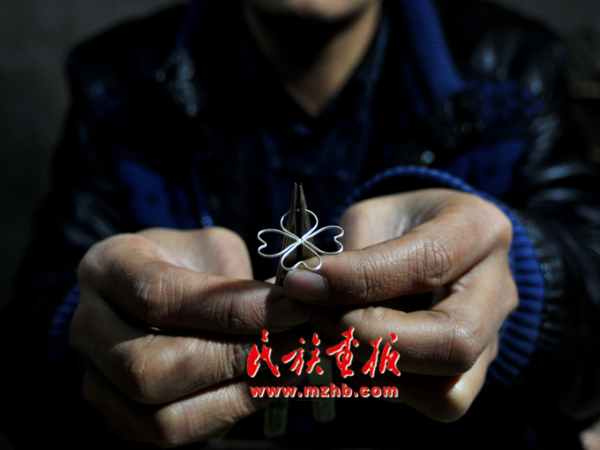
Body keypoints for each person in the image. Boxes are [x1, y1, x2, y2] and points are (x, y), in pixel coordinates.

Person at [2, 0, 600, 448]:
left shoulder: (518, 68)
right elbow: (25, 371)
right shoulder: (117, 83)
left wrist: (523, 289)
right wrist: (94, 350)